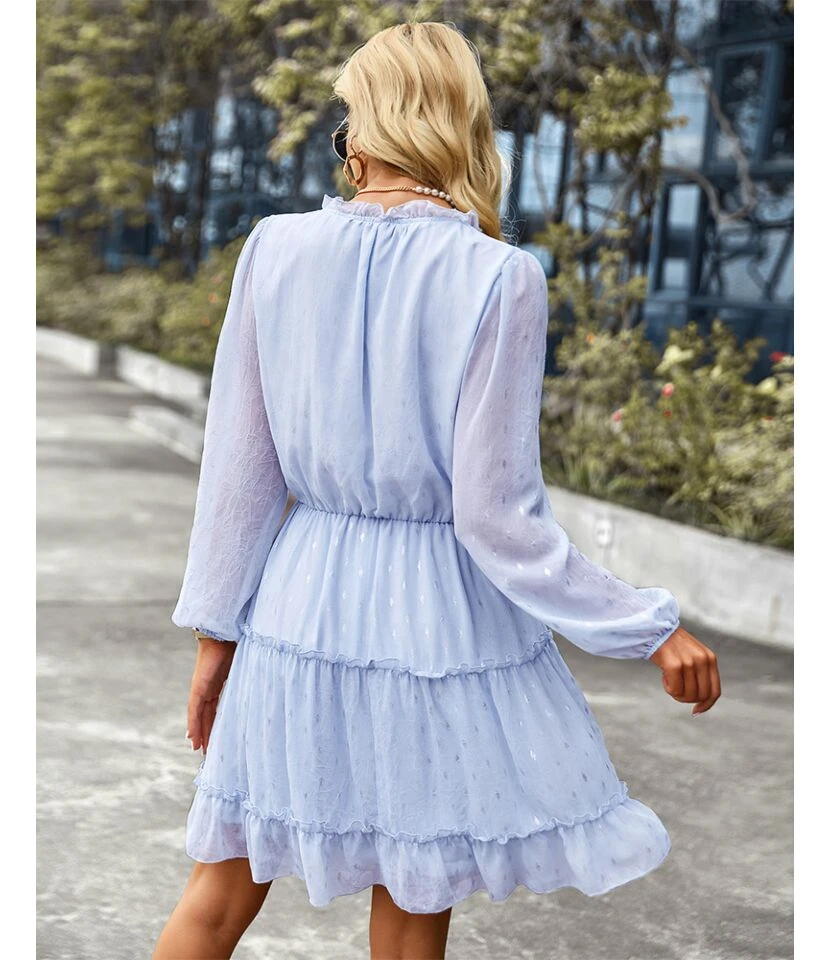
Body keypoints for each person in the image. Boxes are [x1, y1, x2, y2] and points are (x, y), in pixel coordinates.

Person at [153, 20, 721, 960]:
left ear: (364, 126)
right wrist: (646, 626)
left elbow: (239, 471)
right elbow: (497, 518)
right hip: (435, 622)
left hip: (299, 606)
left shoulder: (275, 249)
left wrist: (217, 636)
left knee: (219, 890)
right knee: (414, 896)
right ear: (462, 122)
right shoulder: (500, 276)